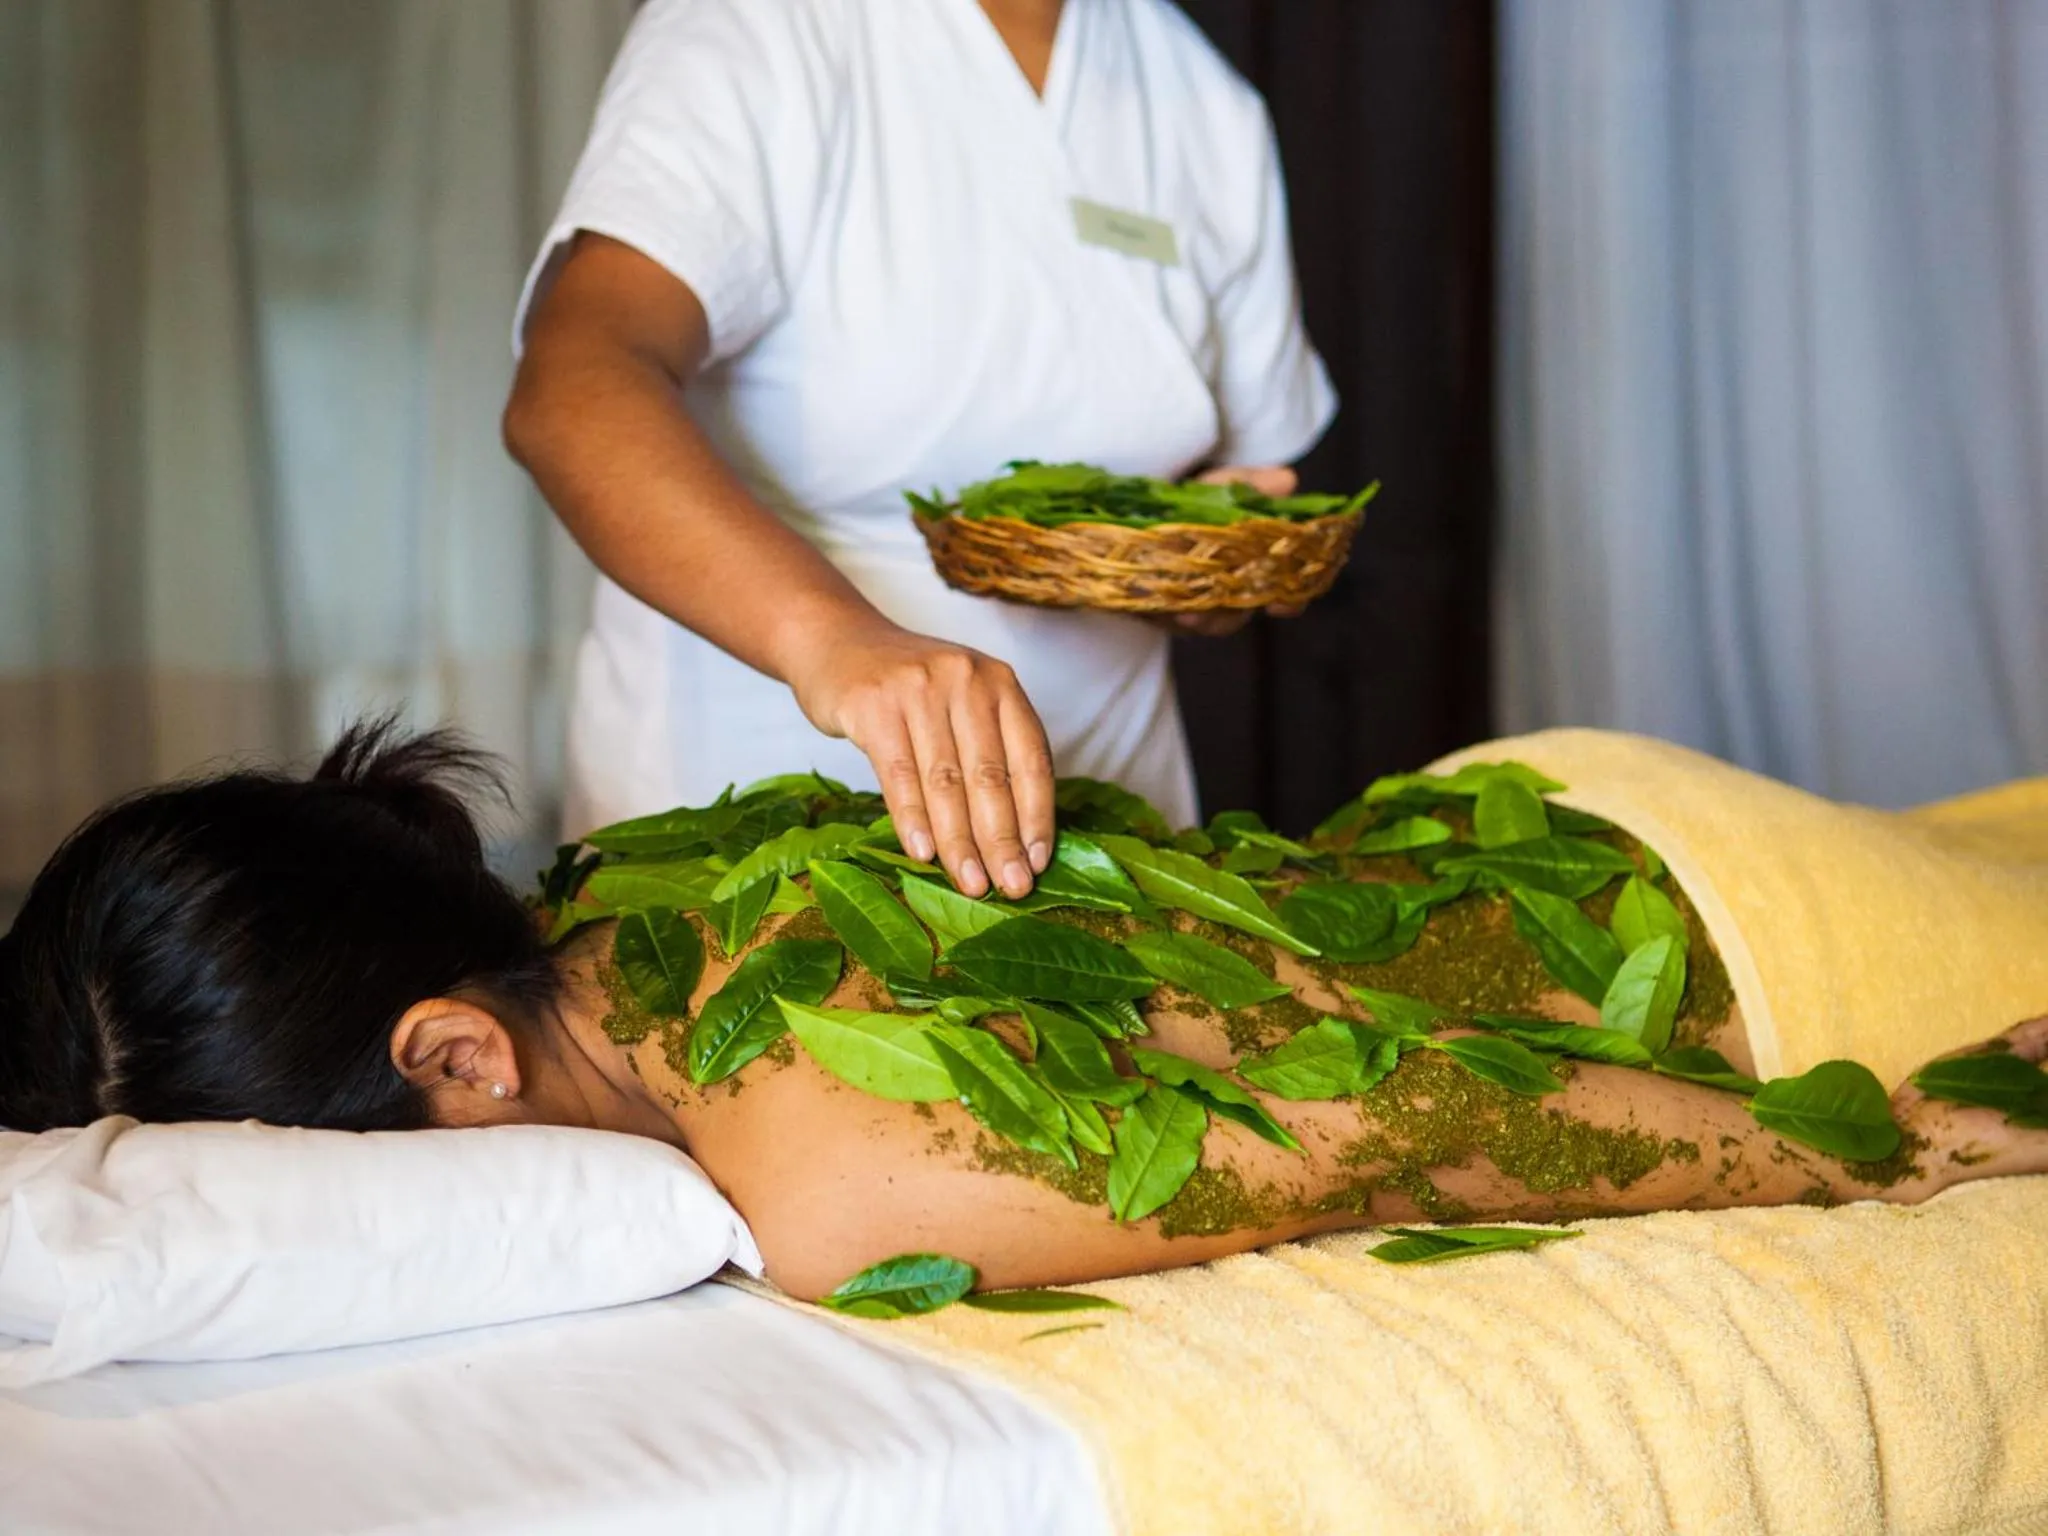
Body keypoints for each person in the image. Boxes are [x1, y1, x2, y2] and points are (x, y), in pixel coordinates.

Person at [4, 721, 2045, 1304]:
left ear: (451, 1049)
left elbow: (1397, 1124)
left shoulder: (823, 1173)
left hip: (1724, 952)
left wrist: (1877, 1139)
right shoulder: (658, 879)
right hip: (1526, 810)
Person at [502, 0, 1337, 905]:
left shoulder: (1203, 98)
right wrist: (834, 640)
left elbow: (1222, 461)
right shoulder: (762, 26)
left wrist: (1194, 565)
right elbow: (573, 389)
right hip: (749, 823)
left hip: (1107, 829)